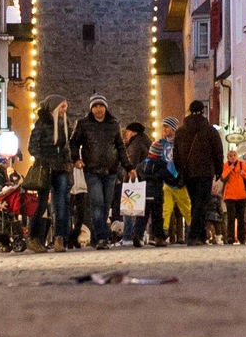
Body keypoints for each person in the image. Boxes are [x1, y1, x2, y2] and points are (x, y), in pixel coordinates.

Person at [74, 94, 126, 247]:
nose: (98, 109)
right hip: (92, 170)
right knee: (97, 203)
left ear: (105, 107)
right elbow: (74, 143)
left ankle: (98, 236)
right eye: (95, 106)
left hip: (110, 171)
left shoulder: (114, 124)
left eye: (101, 106)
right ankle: (103, 237)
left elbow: (120, 147)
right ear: (91, 108)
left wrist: (127, 166)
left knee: (106, 204)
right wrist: (76, 159)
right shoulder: (83, 124)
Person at [173, 99, 226, 245]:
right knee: (200, 203)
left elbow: (175, 154)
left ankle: (201, 235)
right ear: (203, 112)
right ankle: (193, 235)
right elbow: (218, 152)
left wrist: (180, 170)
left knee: (195, 201)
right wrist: (218, 170)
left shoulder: (181, 132)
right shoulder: (210, 130)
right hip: (205, 172)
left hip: (188, 173)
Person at [28, 100, 76, 249]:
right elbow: (32, 147)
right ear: (54, 108)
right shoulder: (42, 124)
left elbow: (66, 148)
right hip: (45, 168)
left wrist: (69, 163)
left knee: (61, 203)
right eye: (62, 106)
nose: (64, 110)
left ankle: (59, 238)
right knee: (41, 204)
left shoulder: (65, 124)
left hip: (61, 169)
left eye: (66, 107)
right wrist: (45, 159)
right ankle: (33, 237)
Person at [155, 116, 192, 243]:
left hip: (179, 180)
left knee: (186, 208)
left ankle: (193, 231)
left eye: (167, 127)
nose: (164, 129)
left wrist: (183, 177)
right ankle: (162, 233)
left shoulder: (181, 142)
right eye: (163, 127)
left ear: (173, 128)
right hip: (166, 181)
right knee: (166, 208)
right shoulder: (161, 144)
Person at [121, 120, 153, 245]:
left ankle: (128, 236)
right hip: (145, 179)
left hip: (136, 181)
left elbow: (131, 164)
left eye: (127, 132)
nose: (126, 135)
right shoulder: (146, 141)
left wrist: (126, 180)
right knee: (142, 210)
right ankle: (139, 234)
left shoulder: (135, 144)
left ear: (133, 133)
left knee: (129, 209)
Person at [220, 145, 246, 243]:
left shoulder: (242, 165)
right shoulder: (225, 166)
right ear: (227, 157)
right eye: (230, 156)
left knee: (242, 218)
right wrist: (230, 168)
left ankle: (242, 238)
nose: (232, 157)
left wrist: (243, 174)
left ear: (237, 156)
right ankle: (230, 237)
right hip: (229, 196)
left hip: (241, 195)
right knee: (231, 218)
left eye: (234, 155)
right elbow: (222, 177)